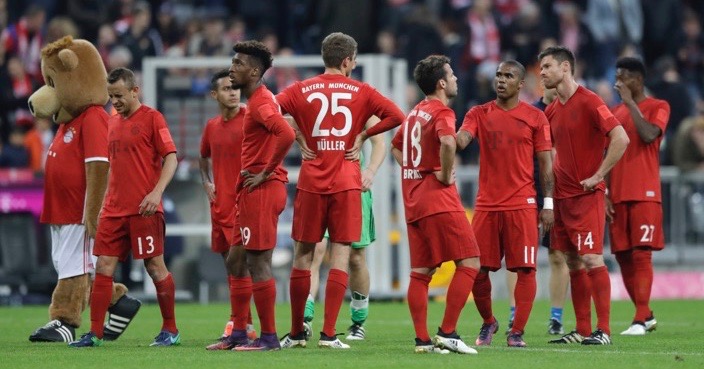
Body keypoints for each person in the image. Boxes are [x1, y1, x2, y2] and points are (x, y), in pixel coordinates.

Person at [275, 32, 405, 349]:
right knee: (341, 257)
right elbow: (397, 116)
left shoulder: (301, 89)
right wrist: (362, 137)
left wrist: (298, 137)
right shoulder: (361, 91)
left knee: (304, 256)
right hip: (347, 182)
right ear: (347, 61)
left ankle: (295, 333)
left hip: (310, 181)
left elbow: (265, 111)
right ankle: (329, 334)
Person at [69, 67, 180, 347]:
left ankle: (170, 329)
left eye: (118, 95)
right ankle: (94, 333)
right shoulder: (112, 122)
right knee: (103, 267)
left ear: (134, 91)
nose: (114, 101)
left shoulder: (153, 118)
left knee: (154, 267)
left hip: (144, 208)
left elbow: (171, 158)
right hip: (113, 209)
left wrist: (156, 193)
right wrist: (99, 204)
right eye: (110, 96)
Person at [457, 60, 554, 348]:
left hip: (522, 204)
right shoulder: (479, 112)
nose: (501, 80)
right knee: (477, 269)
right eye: (498, 75)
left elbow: (546, 166)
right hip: (487, 205)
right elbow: (463, 139)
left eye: (508, 76)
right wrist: (446, 134)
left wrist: (547, 203)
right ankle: (489, 321)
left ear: (520, 84)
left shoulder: (535, 118)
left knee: (525, 269)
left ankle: (517, 332)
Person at [539, 46, 629, 346]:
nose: (541, 73)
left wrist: (599, 175)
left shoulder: (590, 101)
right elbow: (550, 153)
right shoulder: (552, 110)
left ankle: (604, 330)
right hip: (563, 198)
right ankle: (583, 329)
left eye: (547, 67)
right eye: (541, 68)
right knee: (574, 262)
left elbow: (621, 138)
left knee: (591, 258)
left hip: (586, 194)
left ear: (565, 68)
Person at [392, 54, 481, 354]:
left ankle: (422, 341)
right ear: (442, 82)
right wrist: (443, 174)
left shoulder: (415, 112)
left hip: (413, 201)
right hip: (438, 199)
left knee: (421, 272)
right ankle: (448, 332)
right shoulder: (442, 112)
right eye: (452, 74)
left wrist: (412, 171)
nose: (456, 78)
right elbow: (447, 142)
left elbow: (395, 145)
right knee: (470, 262)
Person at [227, 40, 296, 351]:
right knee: (235, 260)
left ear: (254, 71)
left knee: (258, 262)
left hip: (263, 188)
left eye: (239, 63)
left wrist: (267, 171)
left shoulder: (261, 102)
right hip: (253, 188)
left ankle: (268, 338)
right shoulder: (257, 99)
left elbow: (287, 133)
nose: (232, 67)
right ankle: (239, 332)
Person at [301, 116, 386, 341]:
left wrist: (371, 170)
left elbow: (379, 141)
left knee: (356, 257)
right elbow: (288, 122)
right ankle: (305, 318)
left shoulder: (360, 102)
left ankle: (358, 320)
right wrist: (300, 142)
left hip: (352, 189)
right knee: (315, 251)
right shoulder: (317, 100)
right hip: (320, 186)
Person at [608, 56, 669, 336]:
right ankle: (646, 315)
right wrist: (605, 192)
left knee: (641, 254)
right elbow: (606, 154)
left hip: (645, 192)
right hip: (617, 194)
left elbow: (648, 135)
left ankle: (639, 319)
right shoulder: (614, 112)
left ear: (639, 80)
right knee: (622, 256)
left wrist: (631, 103)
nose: (619, 82)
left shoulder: (658, 106)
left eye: (624, 77)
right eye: (617, 76)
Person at [198, 69, 257, 350]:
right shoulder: (211, 126)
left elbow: (284, 132)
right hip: (219, 207)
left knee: (241, 266)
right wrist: (206, 181)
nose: (233, 92)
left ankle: (239, 327)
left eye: (235, 88)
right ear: (215, 95)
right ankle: (247, 326)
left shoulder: (252, 118)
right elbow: (203, 156)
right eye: (226, 89)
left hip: (243, 206)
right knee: (231, 269)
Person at [533, 85, 570, 336]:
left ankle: (556, 317)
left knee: (558, 255)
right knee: (517, 256)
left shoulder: (571, 111)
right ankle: (515, 315)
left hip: (559, 192)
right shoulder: (531, 112)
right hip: (528, 188)